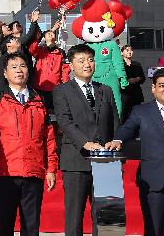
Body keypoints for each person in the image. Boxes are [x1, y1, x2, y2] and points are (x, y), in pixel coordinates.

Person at [0, 52, 58, 236]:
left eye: (23, 66)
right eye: (14, 67)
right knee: (5, 225)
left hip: (34, 172)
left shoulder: (40, 101)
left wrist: (51, 169)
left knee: (31, 227)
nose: (19, 71)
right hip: (6, 173)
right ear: (5, 73)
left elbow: (49, 138)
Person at [53, 44, 119, 236]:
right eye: (81, 61)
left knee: (108, 219)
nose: (87, 64)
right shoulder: (62, 91)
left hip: (105, 162)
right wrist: (84, 143)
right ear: (71, 65)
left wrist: (116, 145)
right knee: (74, 218)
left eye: (90, 60)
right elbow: (65, 122)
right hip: (76, 161)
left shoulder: (105, 90)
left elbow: (115, 122)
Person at [106, 68, 164, 236]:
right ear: (153, 88)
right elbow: (128, 129)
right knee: (153, 228)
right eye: (162, 85)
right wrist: (118, 140)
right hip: (152, 179)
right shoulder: (141, 111)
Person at [28, 17, 70, 114]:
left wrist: (66, 85)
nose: (51, 34)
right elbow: (32, 49)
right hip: (40, 86)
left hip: (55, 88)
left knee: (55, 113)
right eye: (48, 34)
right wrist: (40, 37)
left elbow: (64, 70)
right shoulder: (41, 50)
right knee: (40, 112)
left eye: (52, 34)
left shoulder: (60, 52)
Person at [120, 45, 145, 122]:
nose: (129, 52)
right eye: (127, 50)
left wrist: (136, 79)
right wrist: (127, 80)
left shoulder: (137, 64)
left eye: (131, 50)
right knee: (123, 116)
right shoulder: (120, 64)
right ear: (122, 52)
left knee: (137, 115)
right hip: (124, 94)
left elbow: (143, 78)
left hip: (136, 94)